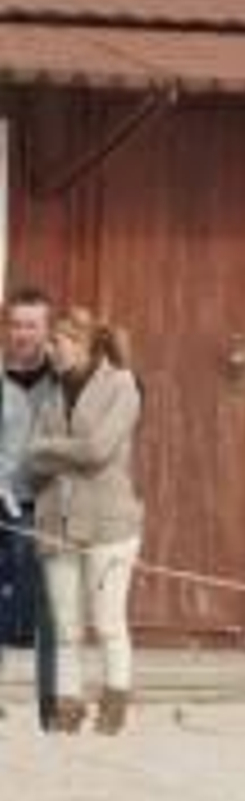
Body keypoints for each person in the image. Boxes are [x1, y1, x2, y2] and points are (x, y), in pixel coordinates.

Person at [28, 306, 144, 735]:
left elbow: (99, 448)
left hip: (109, 524)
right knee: (66, 627)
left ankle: (114, 707)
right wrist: (55, 451)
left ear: (82, 344)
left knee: (108, 622)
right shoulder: (52, 393)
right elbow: (31, 457)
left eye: (56, 343)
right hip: (56, 521)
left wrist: (51, 449)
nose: (50, 351)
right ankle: (68, 708)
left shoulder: (122, 386)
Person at [0, 285, 63, 729]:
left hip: (47, 507)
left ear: (47, 329)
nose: (23, 333)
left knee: (50, 610)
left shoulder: (64, 380)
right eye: (16, 324)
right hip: (1, 502)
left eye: (32, 325)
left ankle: (49, 705)